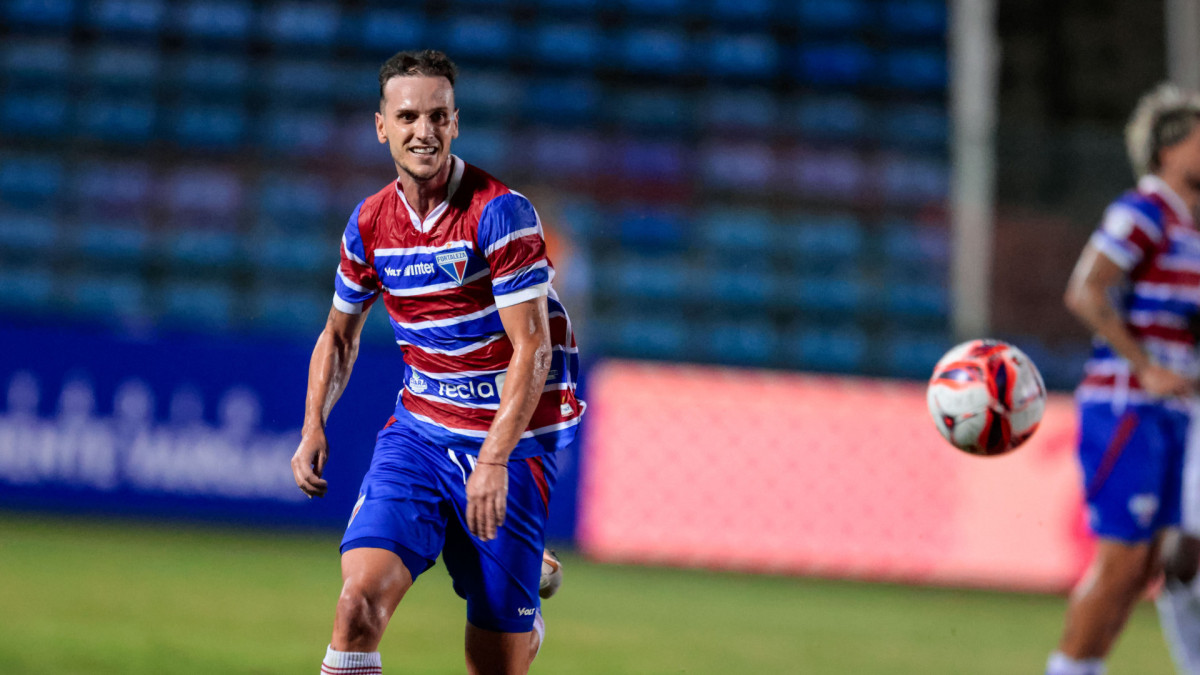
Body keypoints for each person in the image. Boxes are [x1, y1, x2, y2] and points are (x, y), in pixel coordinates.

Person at [290, 49, 583, 675]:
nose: (422, 131)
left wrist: (495, 459)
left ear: (455, 123)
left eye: (436, 117)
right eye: (407, 117)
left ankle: (518, 579)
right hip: (419, 436)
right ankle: (505, 555)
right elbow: (339, 336)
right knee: (356, 607)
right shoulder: (369, 223)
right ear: (381, 126)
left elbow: (534, 350)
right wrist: (314, 423)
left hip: (508, 443)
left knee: (493, 665)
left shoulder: (500, 213)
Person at [1052, 83, 1200, 675]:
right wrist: (1146, 366)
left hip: (1171, 414)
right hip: (1128, 407)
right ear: (1169, 150)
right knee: (1121, 564)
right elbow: (1086, 289)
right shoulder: (1142, 211)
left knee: (1152, 566)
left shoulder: (1188, 226)